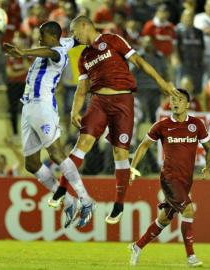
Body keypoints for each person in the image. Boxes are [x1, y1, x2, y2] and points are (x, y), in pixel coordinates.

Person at [51, 15, 179, 225]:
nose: (74, 37)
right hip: (98, 101)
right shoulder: (83, 56)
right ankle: (61, 189)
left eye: (75, 32)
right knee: (82, 144)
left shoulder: (113, 40)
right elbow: (82, 88)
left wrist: (161, 82)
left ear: (84, 26)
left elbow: (138, 60)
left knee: (120, 153)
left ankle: (119, 205)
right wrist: (75, 110)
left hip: (123, 100)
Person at [3, 21, 94, 229]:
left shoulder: (58, 51)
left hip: (43, 106)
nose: (39, 38)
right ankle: (69, 202)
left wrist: (23, 52)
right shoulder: (65, 42)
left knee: (55, 153)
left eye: (42, 35)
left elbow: (50, 51)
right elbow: (75, 40)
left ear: (53, 37)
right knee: (32, 164)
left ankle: (86, 200)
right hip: (28, 107)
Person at [128, 88, 210, 267]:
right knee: (188, 211)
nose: (175, 102)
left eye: (180, 99)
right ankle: (191, 257)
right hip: (169, 178)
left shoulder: (196, 125)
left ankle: (137, 246)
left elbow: (209, 149)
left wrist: (208, 167)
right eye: (173, 99)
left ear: (188, 104)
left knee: (164, 219)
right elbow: (143, 146)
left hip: (185, 181)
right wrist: (132, 167)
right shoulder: (162, 125)